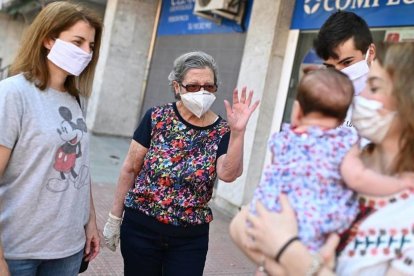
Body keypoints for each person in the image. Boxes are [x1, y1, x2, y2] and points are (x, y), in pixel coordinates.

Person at [232, 42, 414, 275]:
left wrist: (285, 250)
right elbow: (241, 225)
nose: (361, 94)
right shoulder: (339, 159)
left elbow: (265, 235)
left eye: (374, 87)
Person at [102, 51, 259, 275]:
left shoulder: (223, 130)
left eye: (209, 86)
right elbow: (130, 168)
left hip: (190, 237)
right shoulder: (156, 117)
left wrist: (238, 133)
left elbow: (228, 174)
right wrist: (114, 218)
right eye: (193, 86)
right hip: (142, 228)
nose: (202, 92)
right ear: (177, 87)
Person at [0, 2, 102, 275]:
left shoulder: (75, 99)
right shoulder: (12, 94)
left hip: (67, 247)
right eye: (77, 42)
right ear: (48, 39)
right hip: (19, 250)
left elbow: (81, 168)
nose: (86, 53)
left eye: (90, 46)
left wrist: (89, 221)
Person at [313, 10, 376, 129]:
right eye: (330, 67)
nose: (339, 73)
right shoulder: (323, 104)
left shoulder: (396, 105)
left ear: (371, 53)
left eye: (347, 62)